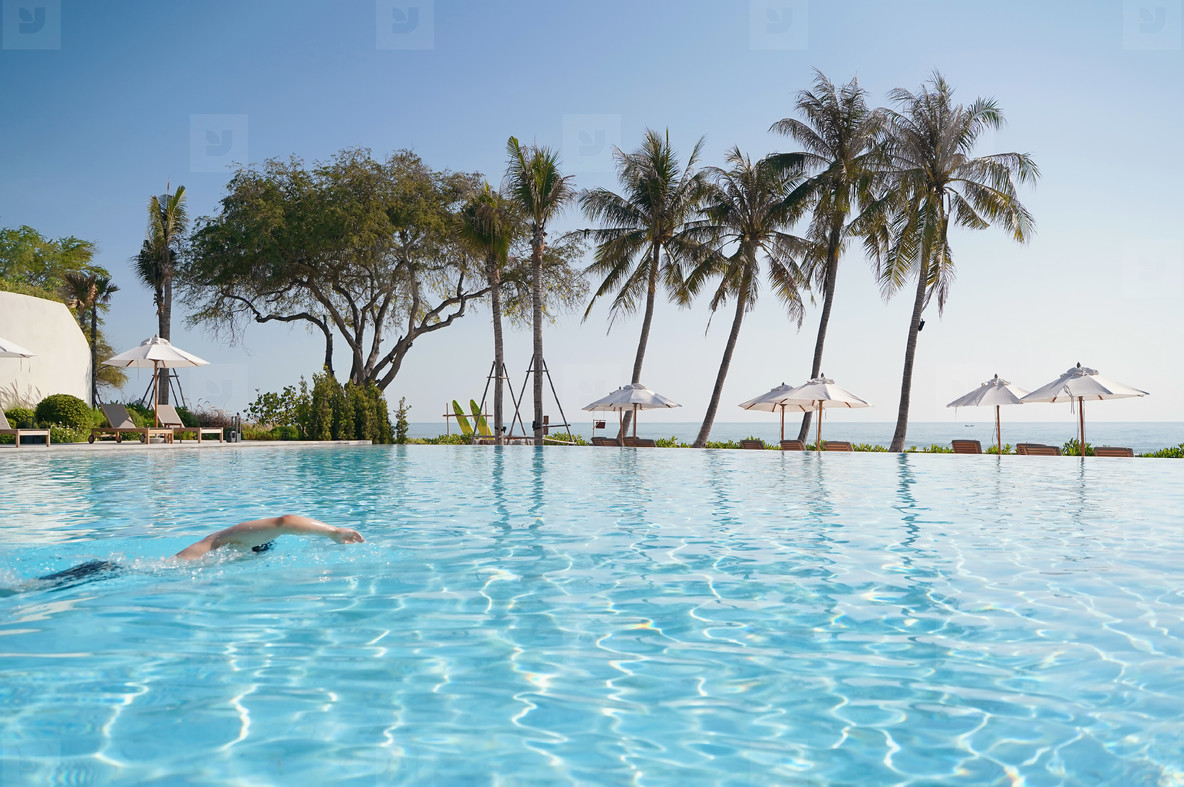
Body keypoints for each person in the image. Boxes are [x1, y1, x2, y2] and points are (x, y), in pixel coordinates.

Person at [15, 515, 364, 594]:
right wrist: (335, 533)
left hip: (135, 574)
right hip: (115, 571)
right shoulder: (235, 538)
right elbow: (286, 521)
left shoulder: (237, 550)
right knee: (27, 589)